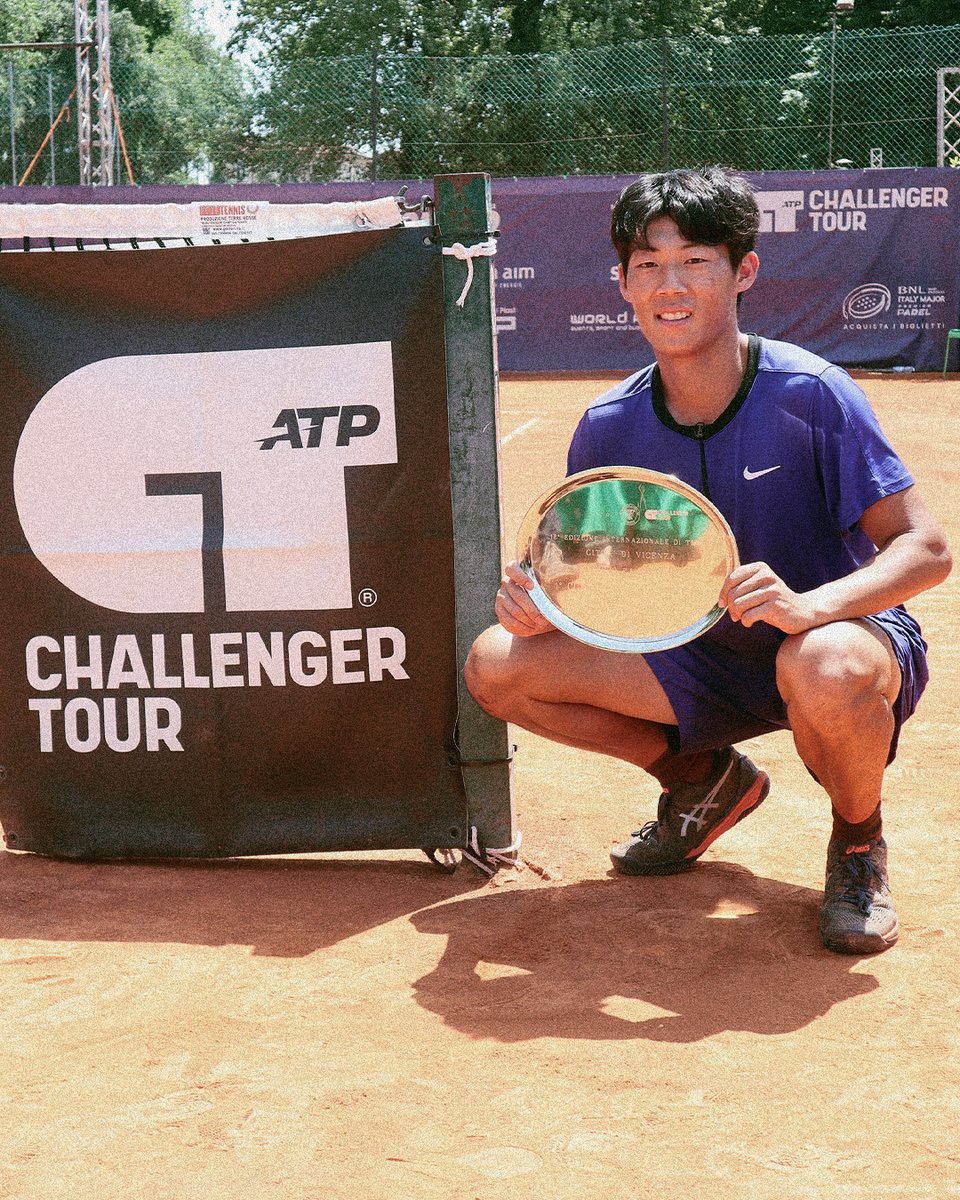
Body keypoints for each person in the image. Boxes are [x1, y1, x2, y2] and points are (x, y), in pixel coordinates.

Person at [465, 166, 952, 955]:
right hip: (693, 661)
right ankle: (702, 780)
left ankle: (858, 844)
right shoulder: (608, 425)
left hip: (833, 643)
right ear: (622, 282)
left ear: (743, 271)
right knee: (498, 663)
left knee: (823, 665)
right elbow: (593, 577)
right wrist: (537, 601)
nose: (670, 284)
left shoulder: (810, 392)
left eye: (696, 260)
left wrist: (813, 605)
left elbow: (926, 548)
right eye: (648, 264)